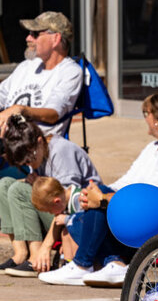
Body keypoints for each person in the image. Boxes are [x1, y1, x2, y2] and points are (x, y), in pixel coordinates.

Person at [44, 90, 158, 287]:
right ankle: (113, 262)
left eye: (146, 114)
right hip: (139, 214)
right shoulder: (153, 147)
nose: (145, 119)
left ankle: (84, 264)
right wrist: (95, 192)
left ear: (157, 120)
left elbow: (152, 198)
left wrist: (104, 199)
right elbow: (126, 181)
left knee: (88, 218)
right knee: (83, 218)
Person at [0, 115, 100, 277]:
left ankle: (37, 256)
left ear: (40, 141)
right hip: (57, 211)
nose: (30, 165)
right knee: (5, 184)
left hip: (79, 216)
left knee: (19, 190)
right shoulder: (37, 151)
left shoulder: (61, 151)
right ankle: (20, 253)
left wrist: (46, 247)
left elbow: (64, 204)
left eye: (30, 160)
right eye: (25, 164)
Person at [0, 11, 82, 138]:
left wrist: (21, 110)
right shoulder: (26, 66)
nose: (28, 38)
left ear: (55, 39)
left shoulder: (70, 72)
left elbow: (53, 113)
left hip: (33, 146)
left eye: (35, 34)